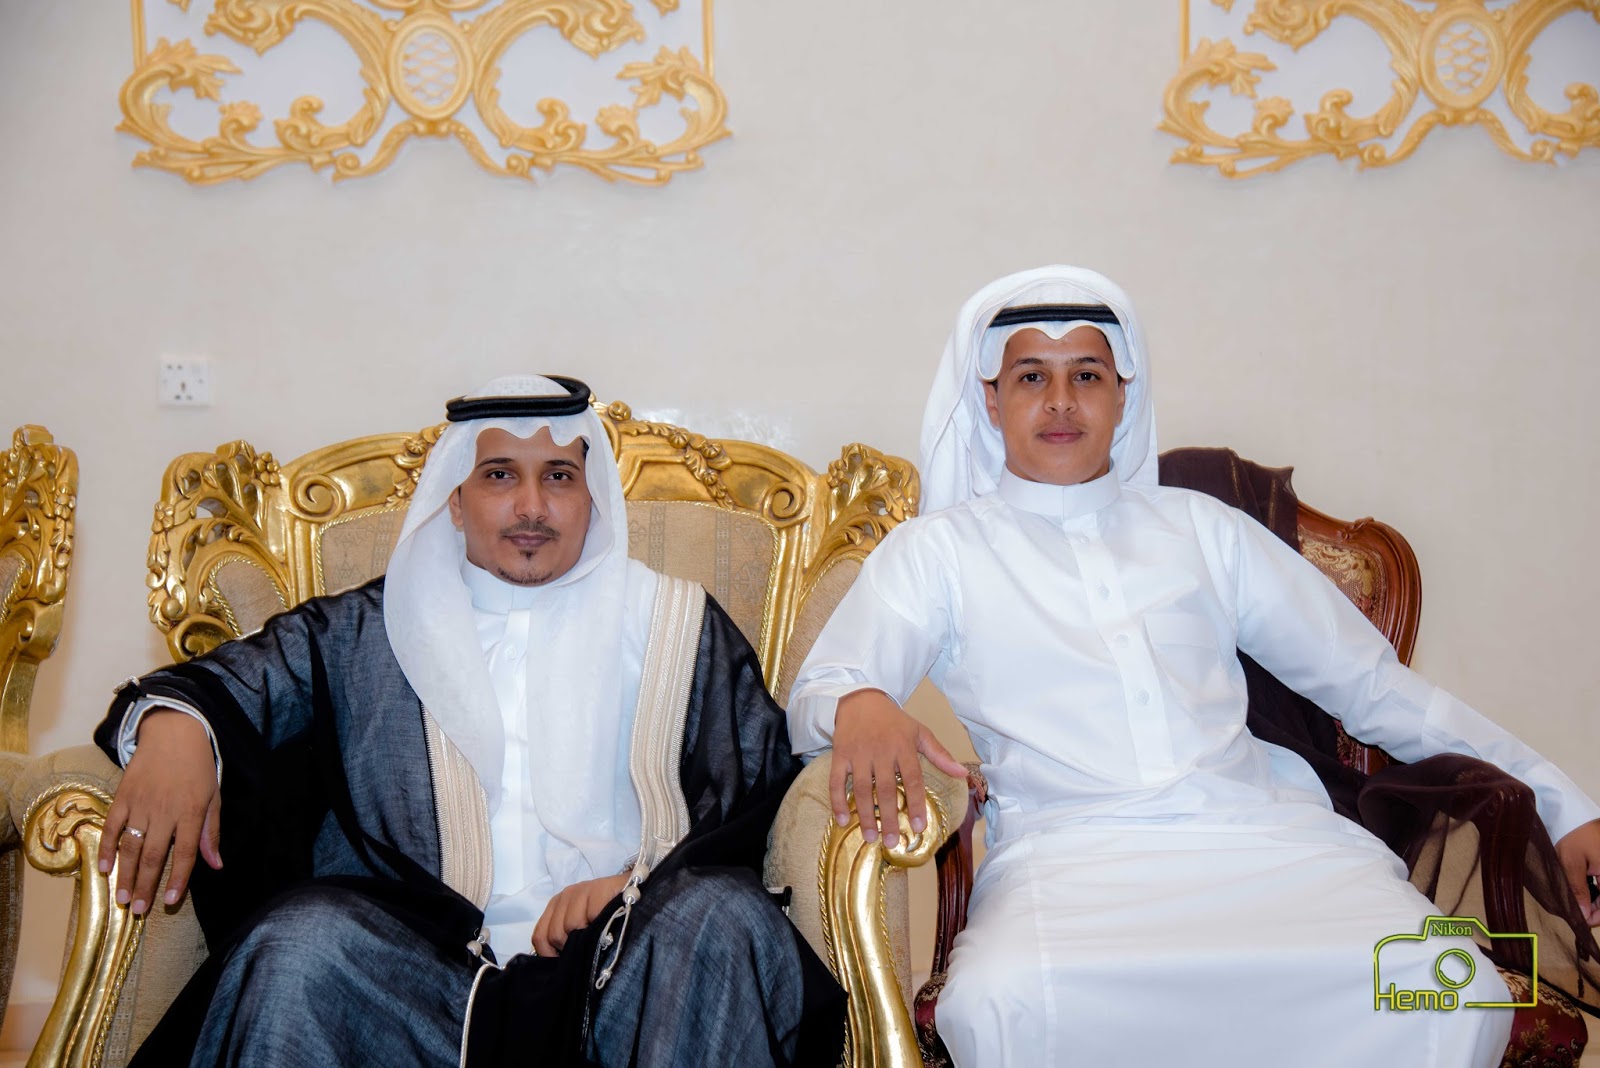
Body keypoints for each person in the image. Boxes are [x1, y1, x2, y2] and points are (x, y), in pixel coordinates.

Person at [786, 266, 1600, 1067]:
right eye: (1032, 376)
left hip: (1274, 848)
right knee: (1003, 1000)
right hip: (1069, 863)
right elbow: (819, 691)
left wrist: (1563, 807)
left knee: (1450, 991)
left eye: (1087, 374)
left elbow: (1376, 689)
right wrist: (861, 702)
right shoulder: (938, 552)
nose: (1061, 400)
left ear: (1123, 394)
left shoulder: (1204, 529)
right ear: (991, 400)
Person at [93, 375, 844, 1068]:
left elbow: (756, 786)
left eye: (559, 476)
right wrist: (176, 732)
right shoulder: (368, 630)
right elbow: (234, 687)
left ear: (593, 497)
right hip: (414, 978)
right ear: (455, 500)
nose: (531, 506)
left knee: (720, 917)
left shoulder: (676, 625)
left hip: (631, 968)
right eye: (499, 476)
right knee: (296, 944)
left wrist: (637, 886)